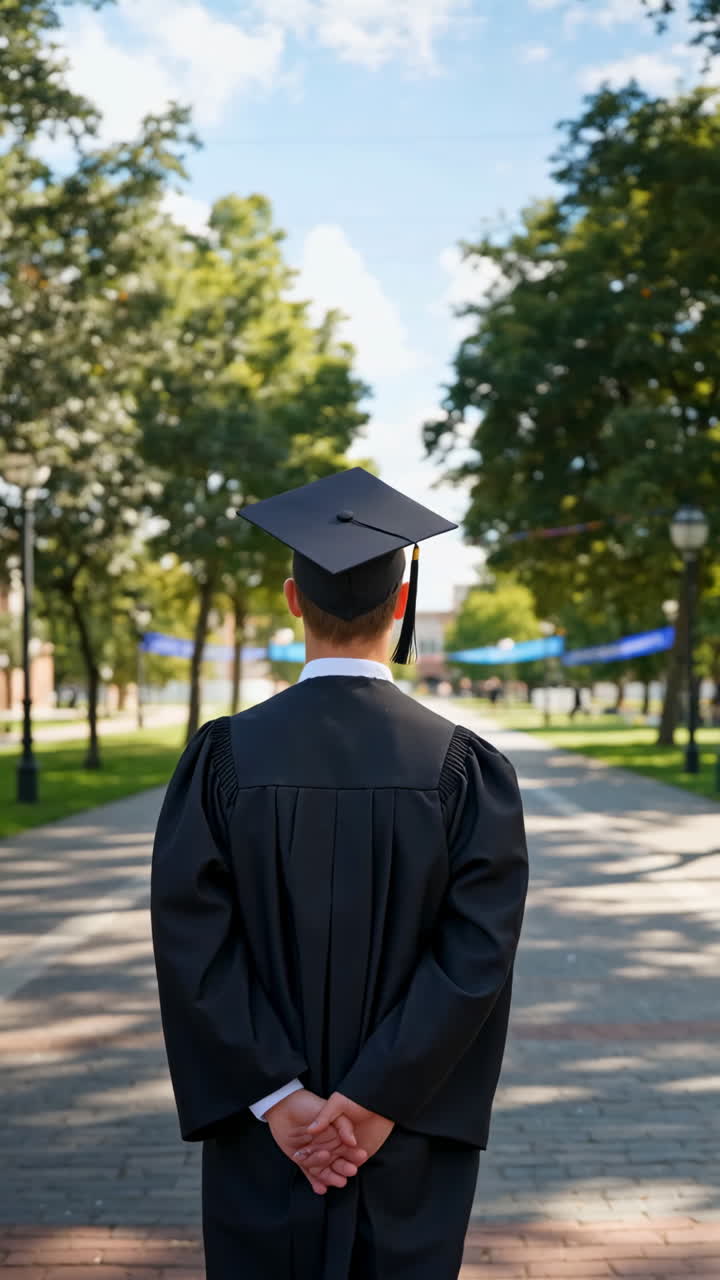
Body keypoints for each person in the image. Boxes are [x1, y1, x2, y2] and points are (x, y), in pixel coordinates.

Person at [151, 467, 529, 1280]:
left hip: (270, 1144)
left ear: (293, 601)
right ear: (400, 607)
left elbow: (193, 945)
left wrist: (280, 1102)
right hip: (406, 1137)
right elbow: (476, 959)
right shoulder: (465, 769)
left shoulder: (221, 760)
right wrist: (375, 1104)